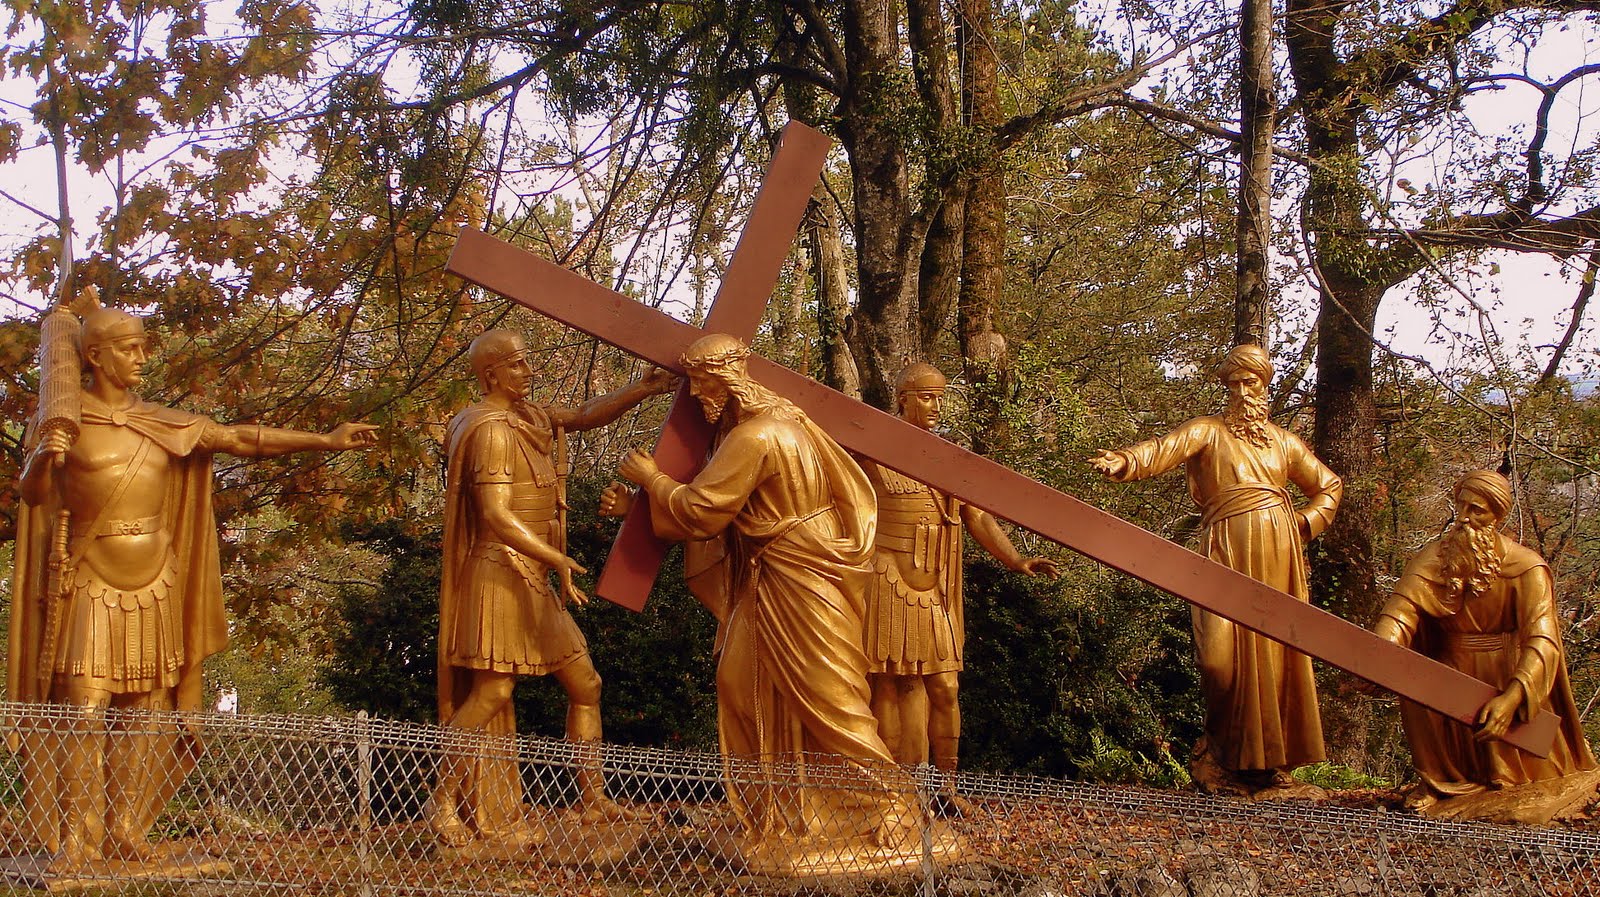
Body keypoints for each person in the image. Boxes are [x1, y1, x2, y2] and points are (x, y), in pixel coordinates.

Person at [9, 305, 378, 870]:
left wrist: (325, 441)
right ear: (95, 355)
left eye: (143, 346)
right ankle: (78, 839)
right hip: (90, 578)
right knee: (84, 710)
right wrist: (41, 455)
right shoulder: (63, 418)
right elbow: (34, 497)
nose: (141, 358)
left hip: (156, 580)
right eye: (129, 348)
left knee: (143, 711)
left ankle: (125, 830)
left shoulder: (163, 422)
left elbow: (240, 439)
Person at [616, 333, 923, 871]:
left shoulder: (757, 436)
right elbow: (732, 509)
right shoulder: (779, 422)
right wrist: (637, 509)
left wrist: (652, 479)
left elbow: (703, 510)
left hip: (802, 575)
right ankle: (785, 811)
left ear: (725, 382)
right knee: (743, 683)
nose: (697, 396)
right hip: (772, 575)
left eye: (702, 384)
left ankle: (893, 803)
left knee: (829, 694)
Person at [432, 329, 674, 848]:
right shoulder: (491, 431)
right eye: (517, 365)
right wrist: (557, 557)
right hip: (497, 572)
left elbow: (584, 414)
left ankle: (593, 799)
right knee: (493, 692)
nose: (529, 372)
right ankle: (443, 804)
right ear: (491, 374)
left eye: (526, 362)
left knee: (586, 684)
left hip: (533, 574)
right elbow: (496, 515)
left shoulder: (531, 417)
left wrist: (644, 387)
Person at [1089, 343, 1341, 792]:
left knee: (1276, 654)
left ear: (1264, 386)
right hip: (1224, 552)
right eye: (1235, 384)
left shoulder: (1285, 443)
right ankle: (1220, 752)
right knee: (1217, 662)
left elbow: (1329, 486)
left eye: (1251, 383)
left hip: (1278, 556)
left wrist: (1304, 523)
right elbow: (1163, 450)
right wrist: (1124, 460)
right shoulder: (1208, 431)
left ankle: (1268, 766)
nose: (1243, 392)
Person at [860, 363, 1058, 806]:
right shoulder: (872, 452)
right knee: (893, 688)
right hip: (888, 581)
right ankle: (900, 790)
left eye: (940, 398)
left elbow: (977, 516)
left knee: (946, 688)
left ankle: (946, 788)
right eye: (926, 397)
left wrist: (1015, 559)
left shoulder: (947, 458)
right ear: (903, 399)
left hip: (936, 589)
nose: (936, 406)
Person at [1374, 470, 1597, 808]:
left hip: (1503, 672)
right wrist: (1379, 654)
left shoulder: (1527, 568)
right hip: (1446, 666)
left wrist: (1512, 696)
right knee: (1416, 682)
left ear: (1497, 516)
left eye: (1477, 510)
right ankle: (1443, 781)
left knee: (1513, 769)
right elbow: (1400, 613)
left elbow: (1542, 640)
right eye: (1461, 507)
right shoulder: (1435, 558)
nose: (1465, 518)